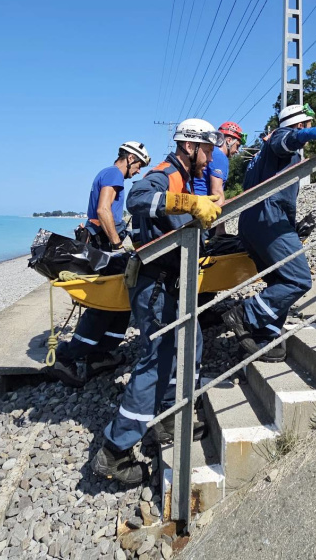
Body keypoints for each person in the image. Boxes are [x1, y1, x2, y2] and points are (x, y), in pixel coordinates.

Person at [92, 118, 224, 485]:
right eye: (207, 149)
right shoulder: (166, 174)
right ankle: (114, 451)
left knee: (192, 341)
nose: (211, 157)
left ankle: (168, 416)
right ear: (189, 147)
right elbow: (136, 199)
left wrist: (203, 205)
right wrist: (190, 202)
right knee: (160, 354)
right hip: (154, 283)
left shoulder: (188, 178)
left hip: (171, 281)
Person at [221, 104, 316, 363]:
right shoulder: (279, 140)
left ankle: (265, 336)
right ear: (300, 126)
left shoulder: (259, 158)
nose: (310, 131)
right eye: (308, 126)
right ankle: (245, 315)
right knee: (298, 280)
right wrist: (309, 134)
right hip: (269, 221)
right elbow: (284, 140)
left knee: (279, 282)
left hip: (253, 223)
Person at [49, 141, 152, 388]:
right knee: (104, 304)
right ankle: (67, 357)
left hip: (100, 241)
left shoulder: (109, 174)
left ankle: (100, 355)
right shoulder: (114, 173)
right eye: (138, 165)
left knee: (119, 301)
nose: (137, 171)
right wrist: (117, 244)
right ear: (129, 157)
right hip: (103, 243)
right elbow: (104, 209)